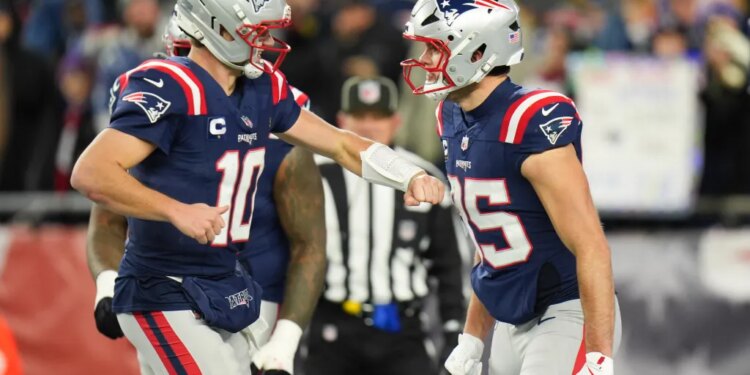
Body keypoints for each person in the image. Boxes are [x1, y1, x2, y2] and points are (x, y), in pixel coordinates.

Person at [71, 1, 444, 374]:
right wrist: (175, 209)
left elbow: (341, 144)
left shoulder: (263, 87)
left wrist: (408, 175)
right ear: (216, 28)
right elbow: (91, 172)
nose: (266, 41)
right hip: (163, 283)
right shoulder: (172, 85)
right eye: (256, 31)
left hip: (227, 282)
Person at [88, 16, 326, 375]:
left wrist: (285, 340)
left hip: (254, 295)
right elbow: (106, 213)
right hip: (169, 288)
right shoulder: (155, 103)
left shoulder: (271, 112)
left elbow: (310, 243)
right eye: (185, 56)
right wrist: (107, 285)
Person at [400, 1, 621, 374]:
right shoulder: (451, 115)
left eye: (433, 48)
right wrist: (472, 338)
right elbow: (493, 248)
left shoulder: (530, 121)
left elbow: (592, 246)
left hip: (567, 311)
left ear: (477, 51)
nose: (423, 60)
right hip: (510, 319)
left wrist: (598, 356)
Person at [303, 76, 467, 375]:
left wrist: (454, 330)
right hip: (332, 327)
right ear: (341, 120)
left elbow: (448, 265)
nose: (368, 126)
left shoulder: (424, 177)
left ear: (395, 121)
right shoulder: (314, 175)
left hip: (402, 330)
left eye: (377, 117)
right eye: (359, 116)